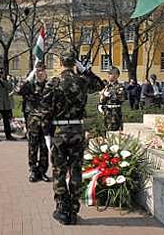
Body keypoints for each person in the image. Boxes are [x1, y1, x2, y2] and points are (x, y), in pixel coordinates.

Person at [48, 50, 104, 225]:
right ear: (74, 63)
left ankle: (62, 208)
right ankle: (73, 209)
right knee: (76, 169)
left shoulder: (54, 82)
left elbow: (46, 107)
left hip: (60, 130)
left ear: (60, 63)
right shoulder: (82, 81)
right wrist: (85, 70)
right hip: (77, 129)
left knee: (59, 170)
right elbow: (100, 85)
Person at [17, 62, 52, 182]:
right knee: (33, 147)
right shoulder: (30, 86)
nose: (40, 73)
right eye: (38, 71)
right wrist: (30, 77)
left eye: (42, 71)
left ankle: (42, 171)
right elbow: (19, 90)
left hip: (46, 122)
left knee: (44, 148)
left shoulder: (50, 85)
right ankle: (33, 170)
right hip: (33, 122)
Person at [98, 67, 126, 132]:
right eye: (108, 73)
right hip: (106, 111)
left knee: (114, 131)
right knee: (106, 132)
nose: (108, 75)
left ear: (116, 75)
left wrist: (109, 95)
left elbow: (121, 99)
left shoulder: (120, 87)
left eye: (110, 74)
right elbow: (102, 99)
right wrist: (101, 102)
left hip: (115, 112)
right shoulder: (106, 86)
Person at [0, 68, 16, 141]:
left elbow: (10, 87)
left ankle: (8, 135)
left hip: (5, 104)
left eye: (1, 73)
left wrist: (2, 81)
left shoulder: (4, 81)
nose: (0, 75)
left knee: (6, 121)